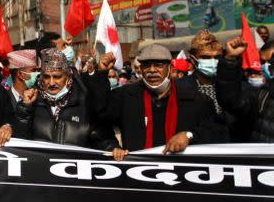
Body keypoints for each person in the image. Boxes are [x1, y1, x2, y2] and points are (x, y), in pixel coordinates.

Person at [95, 43, 226, 160]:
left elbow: (217, 132)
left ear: (170, 69)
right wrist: (112, 147)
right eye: (146, 66)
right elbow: (99, 122)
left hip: (182, 176)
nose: (152, 70)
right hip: (137, 174)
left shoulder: (194, 98)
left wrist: (189, 135)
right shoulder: (125, 96)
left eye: (158, 65)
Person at [14, 49, 118, 150]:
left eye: (57, 77)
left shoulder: (83, 102)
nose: (51, 83)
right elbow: (19, 140)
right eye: (46, 77)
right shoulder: (31, 102)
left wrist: (113, 149)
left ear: (68, 77)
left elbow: (101, 138)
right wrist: (24, 110)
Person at [181, 30, 246, 140]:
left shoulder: (235, 87)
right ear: (192, 59)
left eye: (217, 57)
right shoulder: (181, 88)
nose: (213, 61)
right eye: (206, 58)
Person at [215, 37, 273, 142]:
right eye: (263, 62)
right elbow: (231, 100)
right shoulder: (262, 96)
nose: (265, 65)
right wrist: (230, 60)